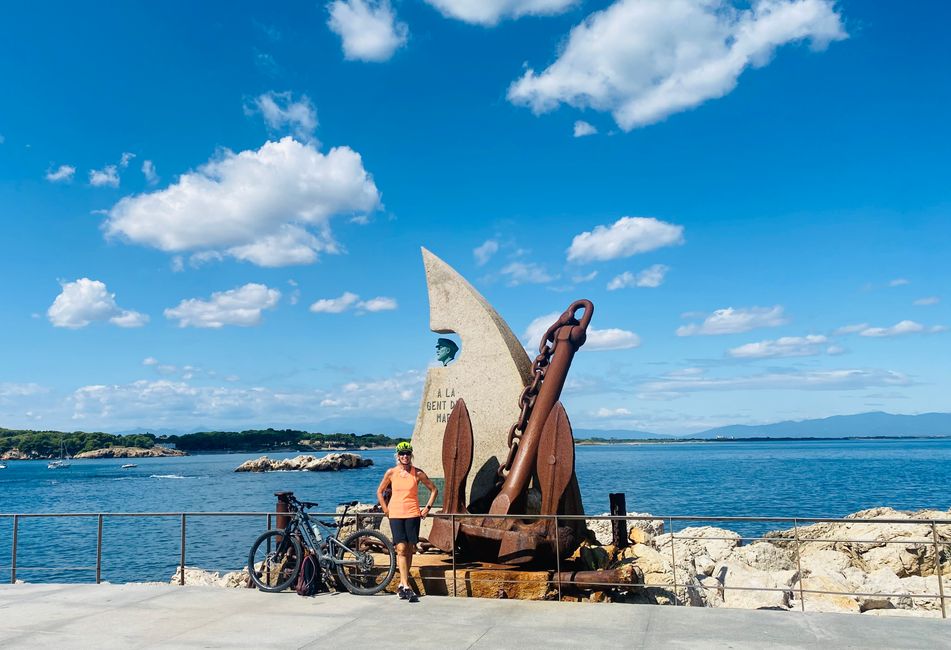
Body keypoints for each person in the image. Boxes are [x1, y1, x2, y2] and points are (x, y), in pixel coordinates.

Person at [376, 441, 437, 602]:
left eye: (407, 454)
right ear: (397, 456)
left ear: (411, 455)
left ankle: (403, 585)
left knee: (410, 549)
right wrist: (385, 510)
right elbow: (380, 491)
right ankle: (406, 584)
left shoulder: (417, 473)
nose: (405, 456)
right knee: (401, 548)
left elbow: (434, 490)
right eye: (402, 454)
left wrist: (427, 508)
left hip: (412, 514)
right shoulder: (391, 472)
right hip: (396, 515)